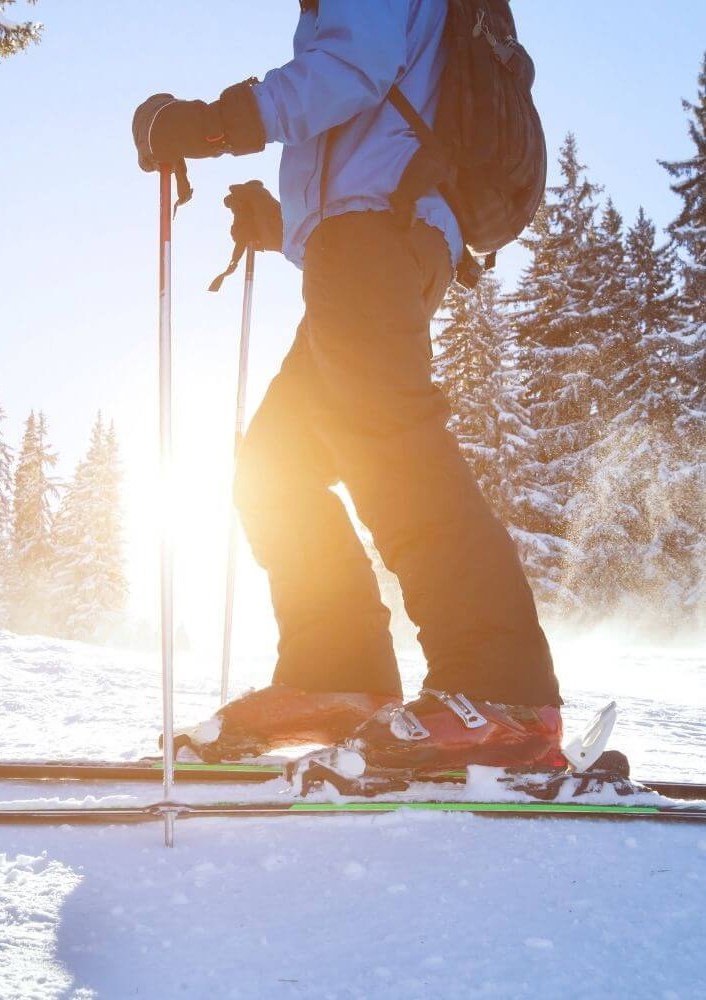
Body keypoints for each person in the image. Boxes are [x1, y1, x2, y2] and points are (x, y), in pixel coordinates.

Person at [132, 0, 563, 771]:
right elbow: (376, 125)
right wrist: (284, 221)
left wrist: (217, 123)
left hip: (378, 236)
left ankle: (503, 694)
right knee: (275, 466)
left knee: (389, 446)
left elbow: (348, 72)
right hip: (368, 239)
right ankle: (340, 677)